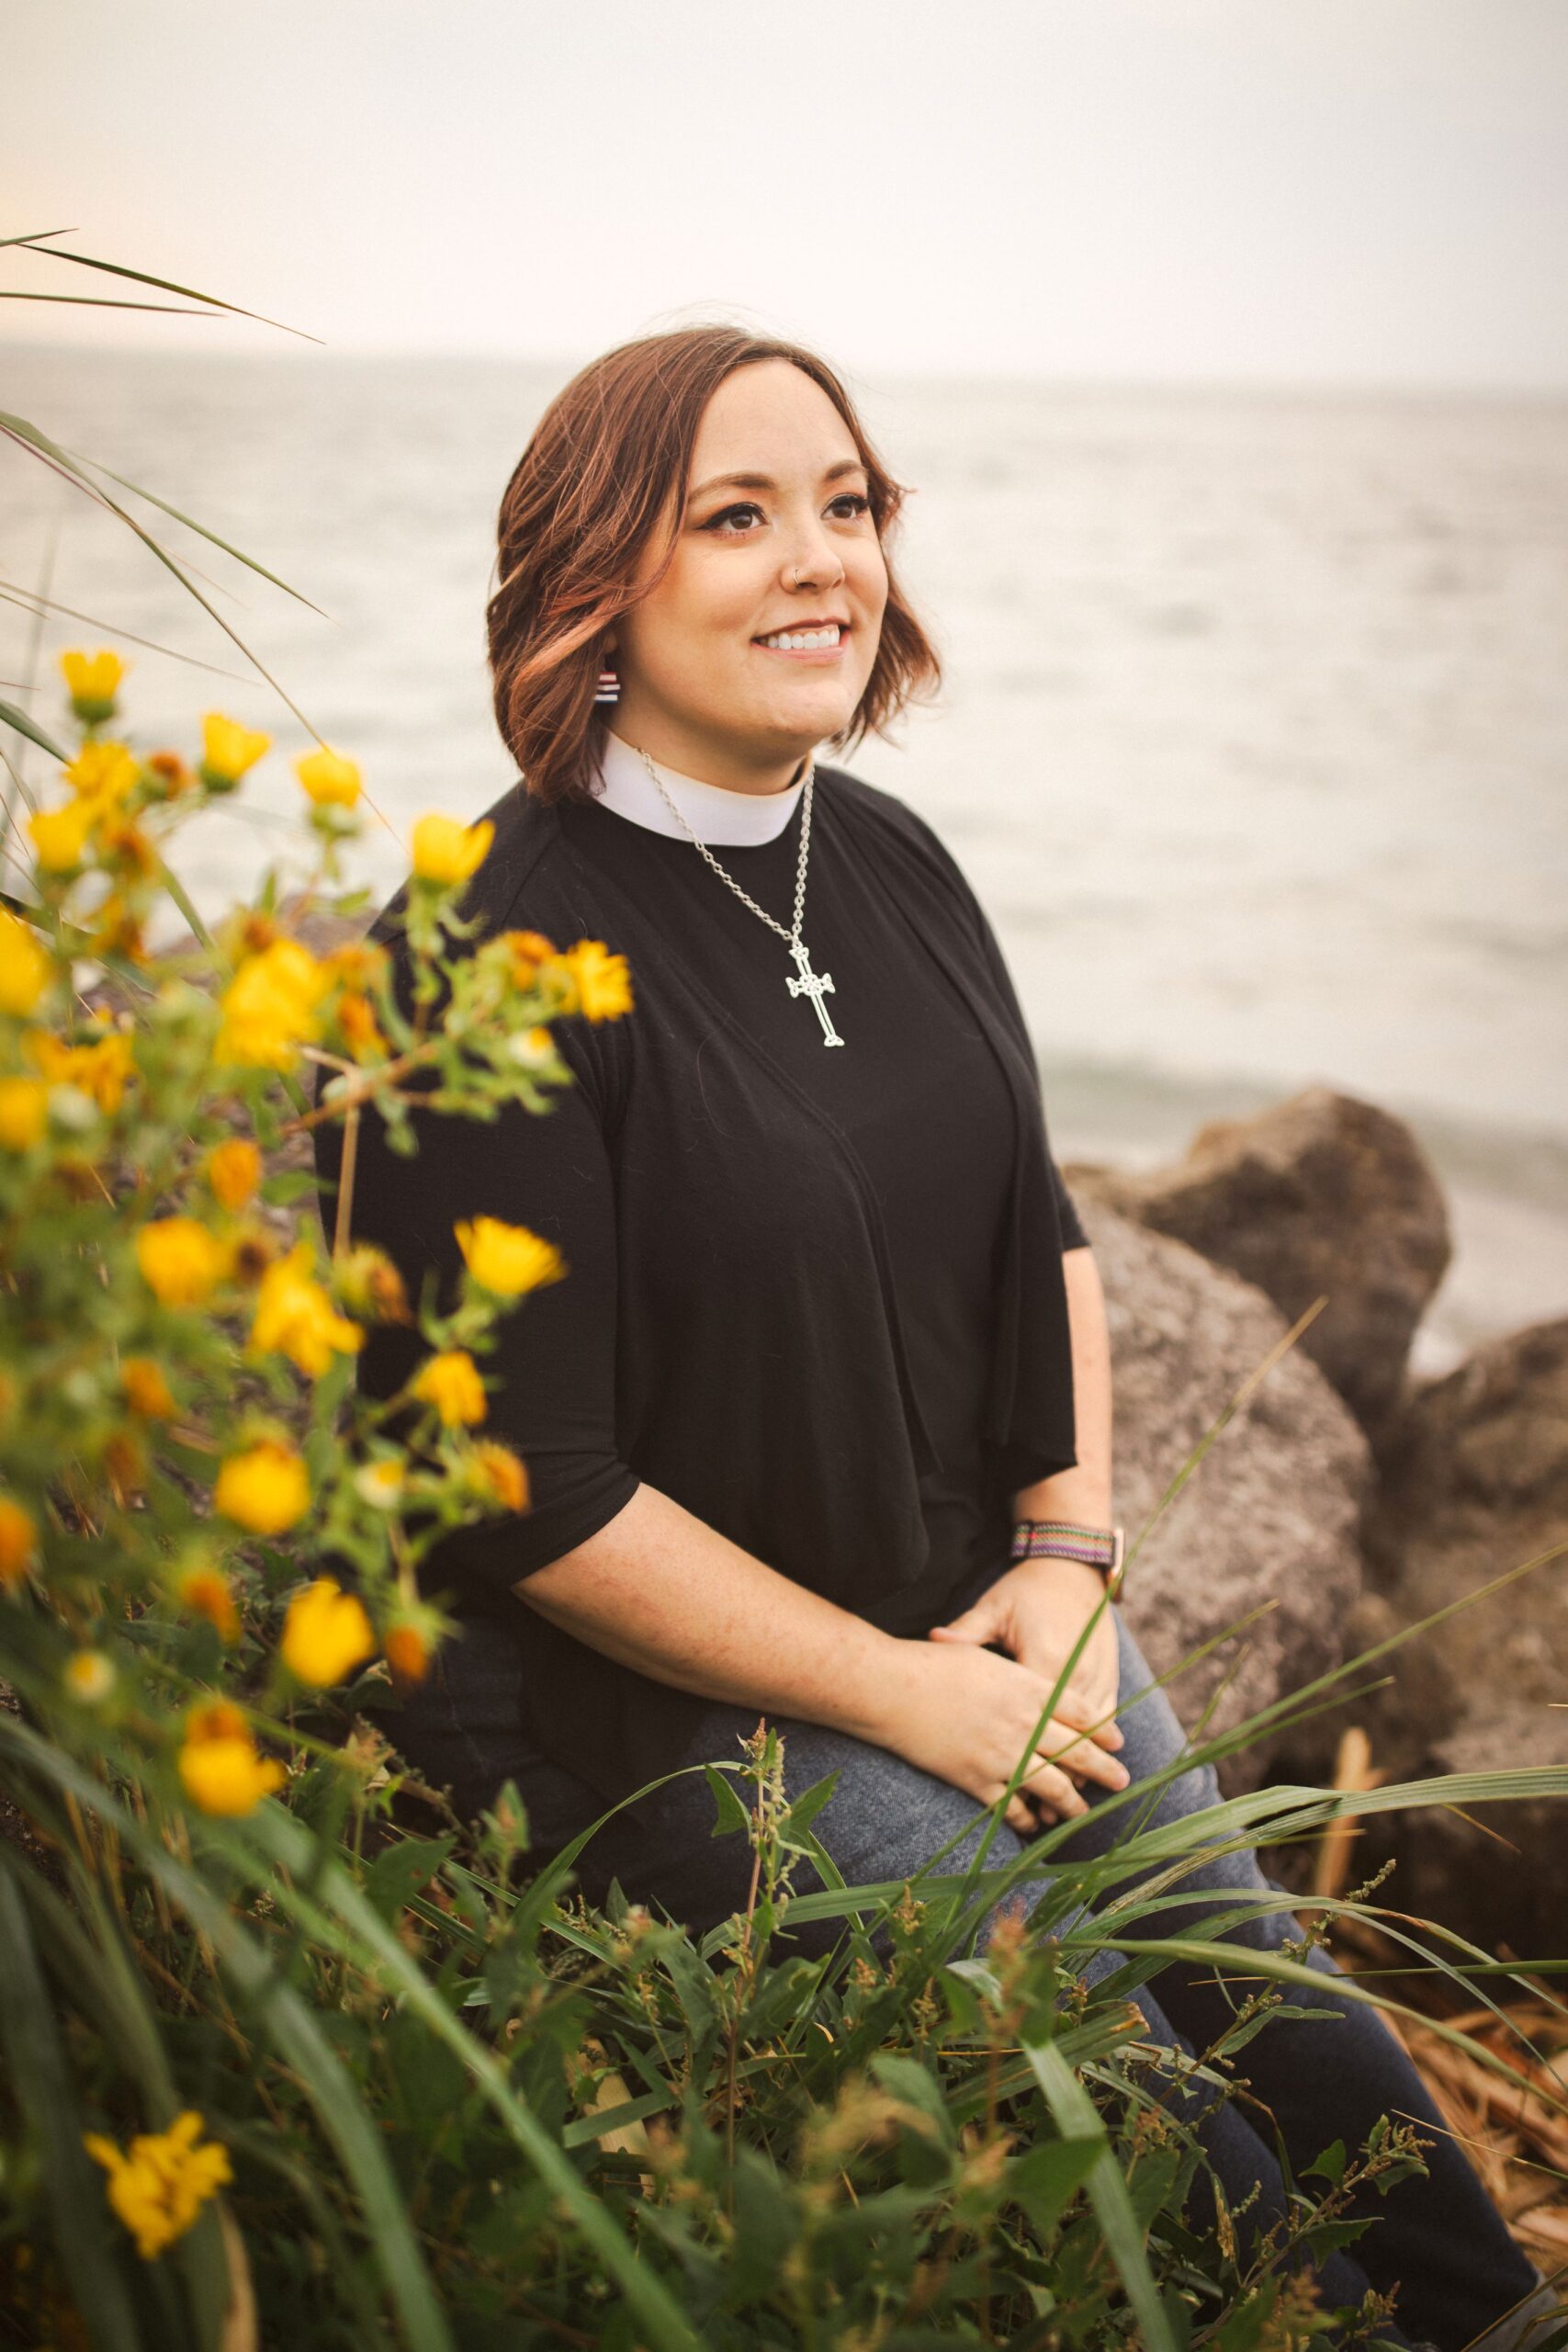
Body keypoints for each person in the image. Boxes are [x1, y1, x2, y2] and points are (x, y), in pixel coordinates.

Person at [313, 326, 1558, 2348]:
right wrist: (897, 1694)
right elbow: (528, 1500)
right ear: (593, 580)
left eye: (847, 502)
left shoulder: (885, 859)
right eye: (737, 514)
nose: (820, 557)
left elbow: (1035, 1233)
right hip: (681, 1717)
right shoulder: (482, 951)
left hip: (988, 1621)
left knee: (1274, 1998)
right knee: (1160, 2136)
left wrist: (1065, 1566)